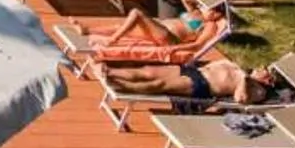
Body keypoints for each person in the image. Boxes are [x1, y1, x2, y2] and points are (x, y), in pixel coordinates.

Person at [100, 58, 284, 106]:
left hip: (202, 86)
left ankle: (119, 85)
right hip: (195, 71)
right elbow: (216, 64)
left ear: (268, 81)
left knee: (158, 86)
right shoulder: (239, 66)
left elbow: (240, 99)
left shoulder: (258, 90)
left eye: (265, 71)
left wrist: (244, 79)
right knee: (149, 71)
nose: (261, 69)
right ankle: (110, 71)